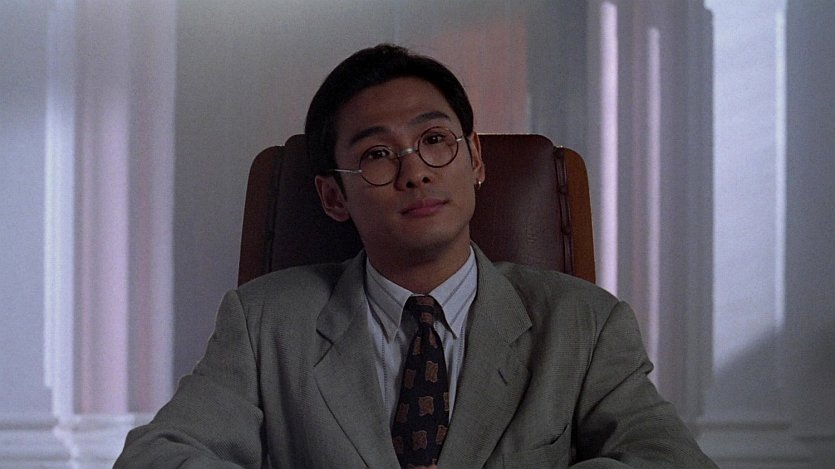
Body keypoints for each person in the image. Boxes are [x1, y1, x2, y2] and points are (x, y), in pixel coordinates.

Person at [116, 44, 716, 468]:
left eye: (434, 141)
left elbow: (669, 459)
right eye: (377, 154)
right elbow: (156, 456)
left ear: (474, 159)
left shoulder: (584, 323)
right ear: (333, 196)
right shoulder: (264, 322)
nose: (415, 173)